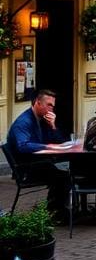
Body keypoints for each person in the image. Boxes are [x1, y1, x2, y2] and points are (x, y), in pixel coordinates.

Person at [7, 89, 69, 219]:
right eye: (49, 105)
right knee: (64, 176)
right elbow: (23, 146)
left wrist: (52, 126)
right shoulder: (24, 122)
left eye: (53, 105)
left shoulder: (42, 120)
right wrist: (46, 146)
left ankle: (56, 208)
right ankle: (56, 211)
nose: (52, 109)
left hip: (39, 163)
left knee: (66, 172)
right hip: (27, 169)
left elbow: (60, 143)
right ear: (37, 103)